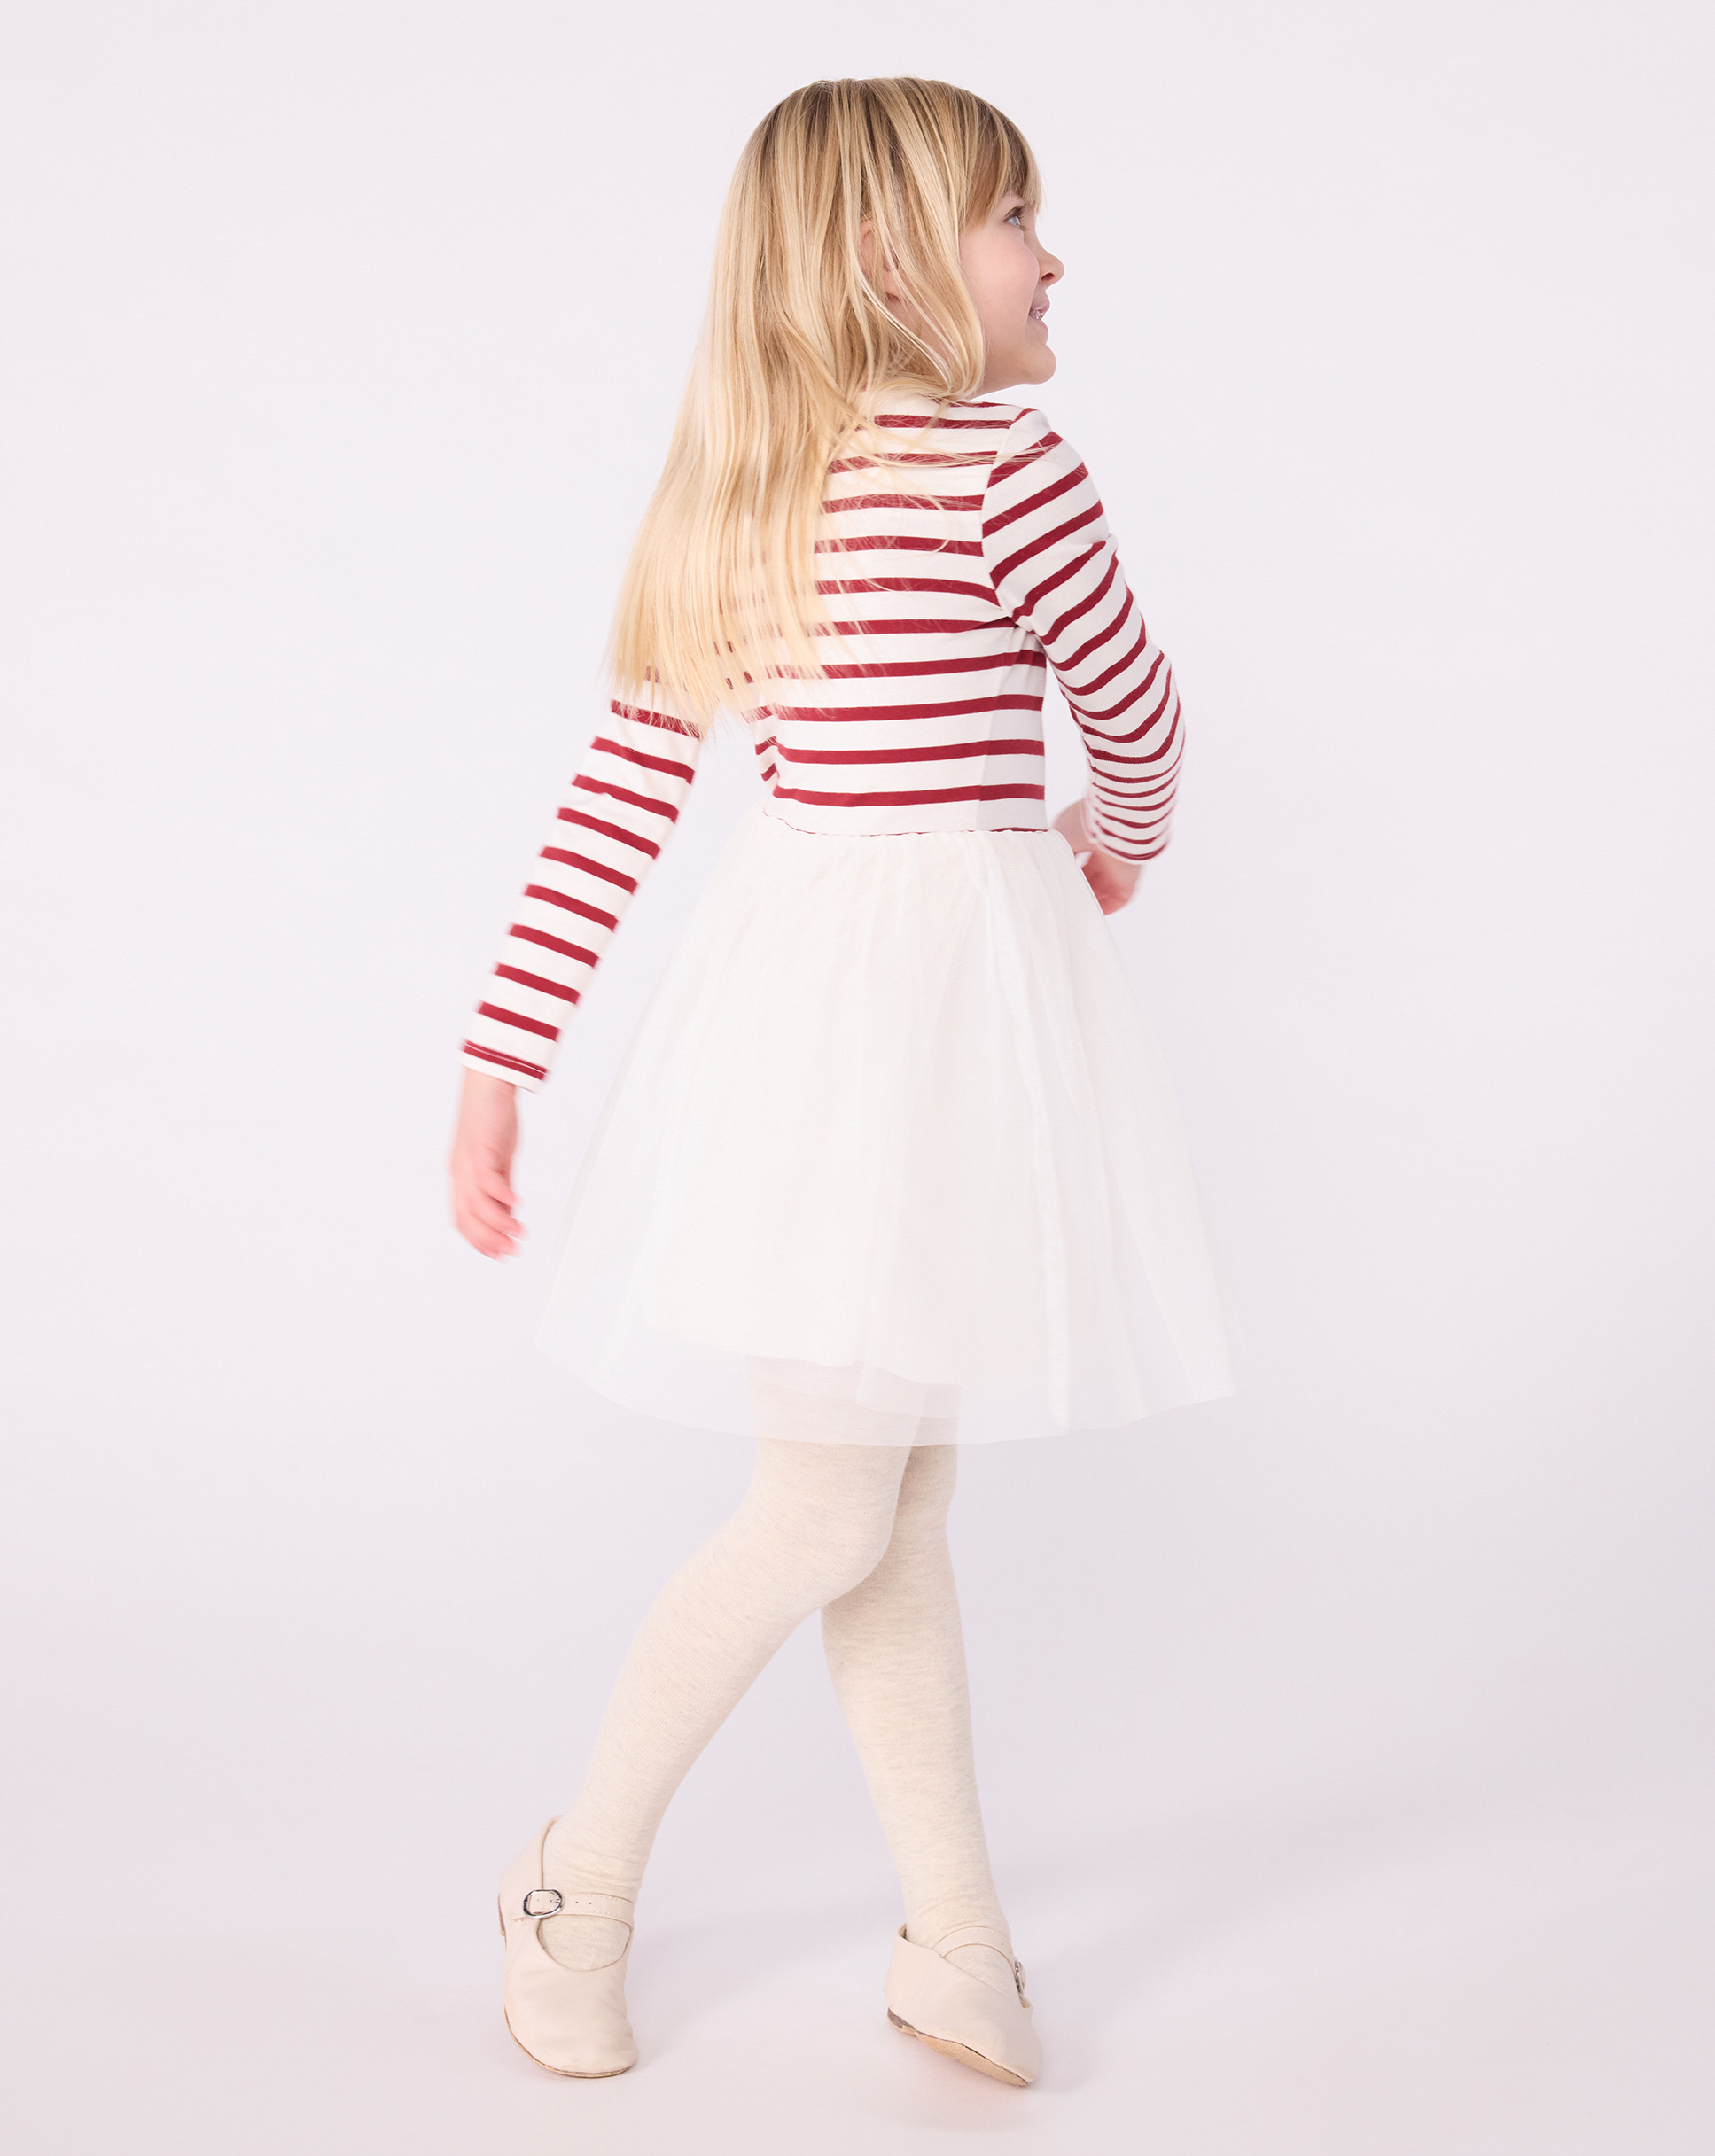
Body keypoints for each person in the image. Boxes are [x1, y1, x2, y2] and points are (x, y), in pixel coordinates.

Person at [449, 75, 1233, 2088]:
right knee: (825, 1505)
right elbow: (1138, 712)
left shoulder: (748, 485)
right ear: (889, 262)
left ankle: (953, 1935)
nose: (1049, 257)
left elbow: (614, 803)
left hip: (846, 1045)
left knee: (892, 1498)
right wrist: (1122, 838)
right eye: (1012, 218)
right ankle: (573, 1879)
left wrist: (501, 1058)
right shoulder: (1009, 472)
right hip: (890, 1048)